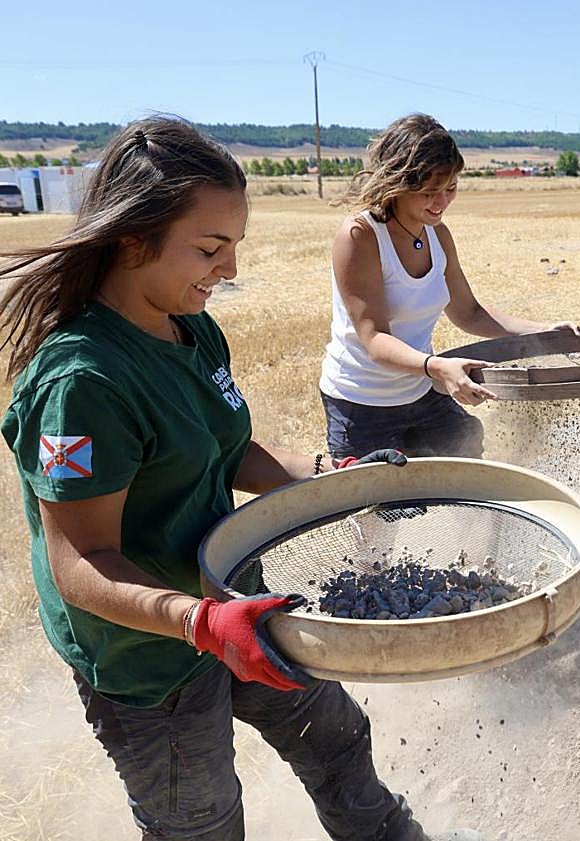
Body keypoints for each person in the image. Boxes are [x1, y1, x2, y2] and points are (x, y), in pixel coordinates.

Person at [0, 117, 478, 841]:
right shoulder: (82, 380)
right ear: (132, 238)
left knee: (336, 738)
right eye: (209, 248)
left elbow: (226, 448)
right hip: (151, 655)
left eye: (234, 248)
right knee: (202, 822)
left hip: (234, 605)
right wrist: (199, 621)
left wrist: (335, 476)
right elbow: (80, 564)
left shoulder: (190, 330)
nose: (227, 269)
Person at [319, 113, 580, 461]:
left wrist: (542, 332)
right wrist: (439, 367)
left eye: (451, 188)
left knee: (463, 464)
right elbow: (374, 340)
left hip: (422, 391)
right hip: (362, 405)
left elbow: (468, 312)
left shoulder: (437, 234)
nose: (441, 202)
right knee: (381, 507)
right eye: (429, 192)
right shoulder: (360, 236)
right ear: (396, 183)